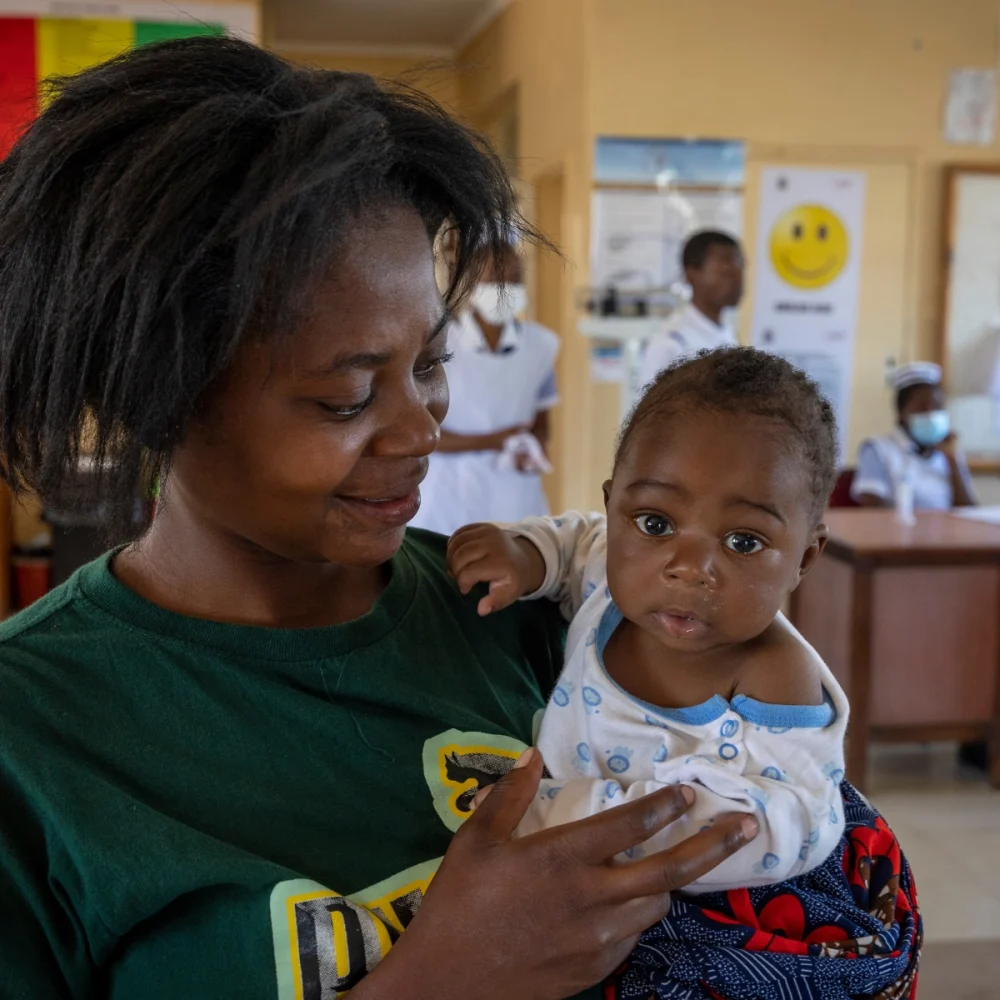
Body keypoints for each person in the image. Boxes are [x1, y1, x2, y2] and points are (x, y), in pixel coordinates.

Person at [0, 38, 762, 1000]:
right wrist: (435, 979)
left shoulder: (519, 613)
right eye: (347, 398)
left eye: (431, 367)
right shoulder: (32, 740)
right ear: (159, 399)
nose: (420, 431)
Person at [448, 348, 921, 999]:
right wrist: (524, 555)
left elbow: (786, 825)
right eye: (656, 522)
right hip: (577, 876)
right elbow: (578, 542)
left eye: (744, 542)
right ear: (617, 508)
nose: (689, 566)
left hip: (707, 910)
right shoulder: (613, 582)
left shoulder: (774, 680)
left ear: (804, 556)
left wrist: (570, 813)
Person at [410, 242, 559, 536]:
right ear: (470, 284)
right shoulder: (439, 344)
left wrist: (533, 448)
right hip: (447, 498)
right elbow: (422, 433)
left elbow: (542, 424)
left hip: (514, 496)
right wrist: (494, 441)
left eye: (514, 280)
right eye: (495, 281)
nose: (505, 289)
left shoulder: (540, 346)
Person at [851, 361, 977, 509]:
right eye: (921, 407)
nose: (931, 414)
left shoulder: (950, 452)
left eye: (937, 406)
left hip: (947, 532)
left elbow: (969, 510)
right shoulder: (877, 449)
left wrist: (952, 461)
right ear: (902, 412)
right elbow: (871, 510)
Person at [638, 230, 743, 387]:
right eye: (725, 269)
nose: (737, 278)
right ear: (691, 275)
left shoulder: (726, 335)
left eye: (740, 268)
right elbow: (650, 409)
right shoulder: (670, 343)